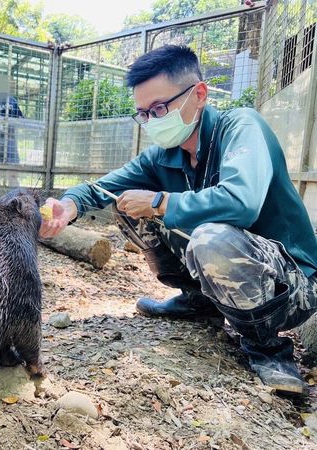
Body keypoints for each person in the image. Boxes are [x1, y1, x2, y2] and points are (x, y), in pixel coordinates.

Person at [39, 44, 317, 396]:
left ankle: (267, 348)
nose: (153, 121)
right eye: (144, 113)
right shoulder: (163, 156)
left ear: (198, 94)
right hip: (229, 268)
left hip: (291, 286)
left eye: (159, 108)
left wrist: (160, 201)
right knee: (128, 205)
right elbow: (102, 188)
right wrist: (68, 205)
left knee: (210, 238)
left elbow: (242, 202)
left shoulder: (241, 127)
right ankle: (198, 301)